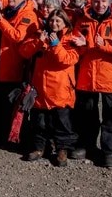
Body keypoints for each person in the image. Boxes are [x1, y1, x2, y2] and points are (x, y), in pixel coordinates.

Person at [70, 0, 112, 168]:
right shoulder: (83, 20)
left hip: (109, 77)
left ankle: (109, 151)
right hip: (87, 76)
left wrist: (95, 45)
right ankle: (87, 145)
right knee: (87, 115)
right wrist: (84, 46)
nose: (100, 5)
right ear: (91, 2)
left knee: (111, 117)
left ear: (108, 2)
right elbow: (76, 45)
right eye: (96, 1)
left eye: (103, 1)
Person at [20, 9, 80, 166]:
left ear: (65, 23)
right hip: (41, 86)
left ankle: (62, 150)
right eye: (52, 20)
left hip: (61, 88)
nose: (54, 24)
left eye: (58, 21)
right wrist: (39, 42)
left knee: (62, 122)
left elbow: (67, 60)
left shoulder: (70, 39)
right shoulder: (41, 35)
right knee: (39, 121)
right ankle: (39, 148)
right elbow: (24, 52)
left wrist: (56, 45)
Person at [0, 0, 39, 146]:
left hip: (12, 67)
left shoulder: (27, 15)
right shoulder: (9, 11)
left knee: (8, 104)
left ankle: (6, 138)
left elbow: (17, 36)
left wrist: (0, 21)